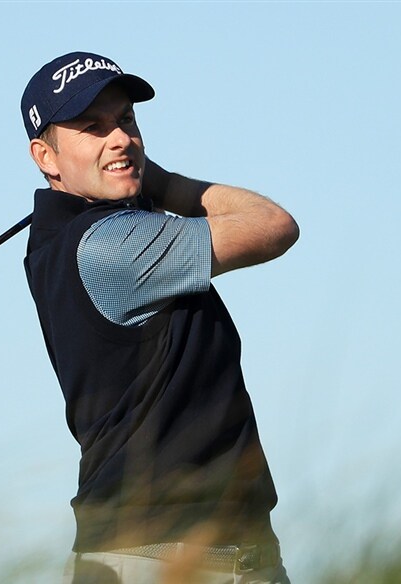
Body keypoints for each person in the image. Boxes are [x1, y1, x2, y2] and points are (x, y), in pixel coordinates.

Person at [20, 52, 299, 584]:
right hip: (167, 562)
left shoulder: (71, 237)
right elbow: (273, 225)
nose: (120, 138)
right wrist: (166, 184)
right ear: (46, 157)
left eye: (125, 119)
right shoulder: (111, 245)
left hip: (206, 555)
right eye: (92, 128)